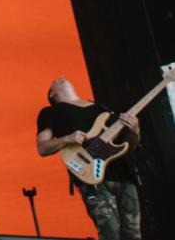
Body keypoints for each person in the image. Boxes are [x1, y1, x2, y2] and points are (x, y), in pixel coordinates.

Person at [36, 76, 141, 239]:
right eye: (54, 82)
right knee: (110, 233)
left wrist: (135, 132)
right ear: (52, 95)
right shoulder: (50, 112)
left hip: (124, 175)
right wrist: (66, 139)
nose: (60, 77)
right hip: (91, 177)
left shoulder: (102, 108)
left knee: (133, 235)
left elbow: (128, 146)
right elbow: (42, 148)